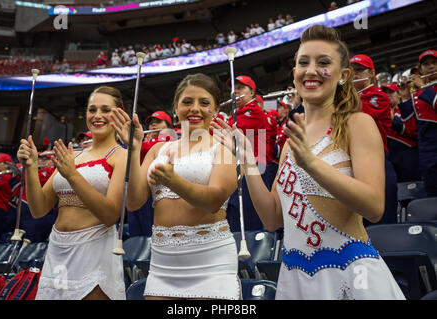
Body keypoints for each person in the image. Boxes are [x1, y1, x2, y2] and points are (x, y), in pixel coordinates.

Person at [212, 24, 405, 300]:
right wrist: (248, 162)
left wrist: (311, 163)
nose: (311, 70)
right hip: (295, 280)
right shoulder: (291, 142)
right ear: (295, 74)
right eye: (304, 63)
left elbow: (374, 207)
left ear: (343, 75)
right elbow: (271, 218)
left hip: (352, 277)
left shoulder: (357, 124)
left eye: (324, 62)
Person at [109, 73, 239, 300]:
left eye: (204, 103)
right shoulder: (156, 150)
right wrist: (133, 149)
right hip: (162, 262)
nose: (195, 108)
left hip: (211, 260)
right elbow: (133, 202)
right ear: (175, 108)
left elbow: (213, 201)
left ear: (216, 110)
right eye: (187, 102)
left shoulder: (223, 148)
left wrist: (173, 181)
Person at [17, 86, 127, 300]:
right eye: (92, 109)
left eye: (105, 110)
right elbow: (39, 209)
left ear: (119, 113)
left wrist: (72, 175)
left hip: (94, 251)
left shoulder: (121, 156)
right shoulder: (73, 156)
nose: (97, 116)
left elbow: (110, 216)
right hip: (57, 251)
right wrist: (31, 166)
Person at [351, 54, 397, 224]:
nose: (354, 75)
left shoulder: (378, 96)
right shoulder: (349, 96)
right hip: (353, 160)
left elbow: (356, 117)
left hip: (376, 159)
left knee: (382, 222)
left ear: (371, 73)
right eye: (352, 71)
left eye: (359, 70)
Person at [225, 75, 272, 232]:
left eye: (240, 88)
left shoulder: (254, 112)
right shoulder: (237, 113)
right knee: (236, 214)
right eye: (234, 88)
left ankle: (253, 251)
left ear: (252, 92)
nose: (235, 92)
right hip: (241, 167)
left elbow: (230, 132)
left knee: (248, 216)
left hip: (254, 168)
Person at [396, 49, 437, 196]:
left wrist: (423, 87)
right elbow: (410, 129)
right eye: (426, 64)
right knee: (432, 195)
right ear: (420, 69)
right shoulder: (418, 94)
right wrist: (406, 97)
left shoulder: (424, 90)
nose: (431, 67)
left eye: (434, 63)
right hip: (426, 153)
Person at [382, 83, 420, 182]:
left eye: (391, 92)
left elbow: (412, 131)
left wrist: (394, 120)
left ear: (399, 94)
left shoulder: (406, 109)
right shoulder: (381, 113)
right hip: (390, 157)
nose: (388, 95)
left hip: (408, 156)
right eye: (385, 93)